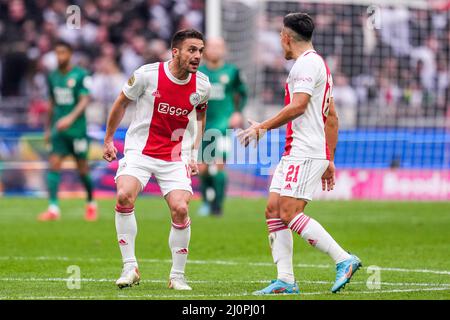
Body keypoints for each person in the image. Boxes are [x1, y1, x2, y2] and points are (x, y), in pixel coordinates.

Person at [238, 13, 361, 295]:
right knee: (273, 210)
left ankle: (344, 259)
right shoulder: (320, 66)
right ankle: (286, 279)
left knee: (289, 212)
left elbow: (299, 106)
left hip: (304, 151)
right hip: (299, 151)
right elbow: (332, 117)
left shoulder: (305, 65)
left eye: (280, 38)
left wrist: (263, 127)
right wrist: (329, 158)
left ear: (286, 37)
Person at [102, 29, 211, 290]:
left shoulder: (203, 85)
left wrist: (194, 153)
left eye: (200, 51)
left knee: (181, 209)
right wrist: (107, 140)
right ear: (176, 52)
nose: (197, 56)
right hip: (141, 149)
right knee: (124, 195)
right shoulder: (146, 75)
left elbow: (200, 117)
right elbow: (121, 103)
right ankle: (130, 268)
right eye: (191, 50)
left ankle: (177, 276)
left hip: (175, 156)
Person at [38, 40, 97, 222]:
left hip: (77, 130)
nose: (59, 56)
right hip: (58, 130)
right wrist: (47, 129)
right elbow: (51, 104)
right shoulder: (52, 76)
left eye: (63, 52)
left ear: (70, 54)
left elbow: (85, 100)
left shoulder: (81, 75)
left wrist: (70, 118)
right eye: (57, 53)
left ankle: (90, 203)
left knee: (82, 169)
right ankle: (53, 208)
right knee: (54, 164)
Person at [197, 37, 248, 216]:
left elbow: (243, 94)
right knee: (202, 168)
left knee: (218, 165)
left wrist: (237, 112)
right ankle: (206, 201)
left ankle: (217, 207)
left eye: (219, 47)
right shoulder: (198, 72)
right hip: (202, 125)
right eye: (212, 47)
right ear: (205, 51)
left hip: (223, 125)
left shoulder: (232, 72)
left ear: (224, 50)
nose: (215, 50)